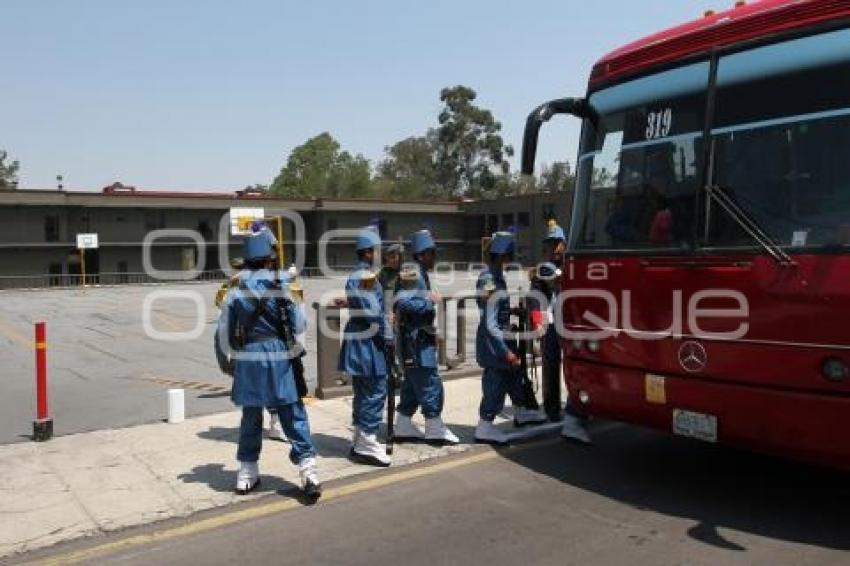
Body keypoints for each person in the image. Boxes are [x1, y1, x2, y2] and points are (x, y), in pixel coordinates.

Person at [214, 229, 321, 500]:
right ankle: (308, 471)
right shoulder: (282, 284)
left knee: (251, 415)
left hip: (248, 356)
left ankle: (246, 473)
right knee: (292, 412)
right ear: (269, 257)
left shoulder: (234, 288)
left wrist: (227, 361)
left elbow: (223, 331)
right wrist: (297, 352)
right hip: (279, 354)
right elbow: (299, 324)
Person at [474, 231, 545, 445]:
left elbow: (497, 310)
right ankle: (485, 426)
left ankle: (521, 411)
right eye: (510, 254)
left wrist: (512, 311)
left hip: (503, 336)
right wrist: (505, 353)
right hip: (494, 343)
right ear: (502, 254)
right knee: (496, 382)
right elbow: (490, 323)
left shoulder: (497, 276)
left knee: (515, 376)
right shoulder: (489, 280)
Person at [393, 229, 459, 445]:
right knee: (429, 379)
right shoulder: (412, 272)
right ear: (422, 254)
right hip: (416, 339)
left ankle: (403, 423)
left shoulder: (419, 272)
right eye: (431, 253)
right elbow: (401, 302)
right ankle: (434, 425)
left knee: (413, 383)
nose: (434, 257)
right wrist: (428, 302)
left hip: (418, 336)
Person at [531, 220, 591, 444]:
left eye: (557, 243)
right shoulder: (542, 269)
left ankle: (578, 408)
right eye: (550, 243)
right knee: (550, 365)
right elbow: (535, 297)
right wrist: (537, 321)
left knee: (575, 368)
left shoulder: (575, 266)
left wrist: (563, 279)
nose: (554, 248)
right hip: (552, 324)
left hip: (573, 324)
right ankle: (552, 409)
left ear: (565, 244)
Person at [338, 227, 393, 467]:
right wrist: (389, 335)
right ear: (368, 252)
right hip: (369, 340)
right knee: (375, 390)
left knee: (362, 392)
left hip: (359, 337)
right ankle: (367, 440)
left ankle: (361, 436)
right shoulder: (366, 277)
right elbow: (373, 313)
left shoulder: (356, 276)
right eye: (377, 251)